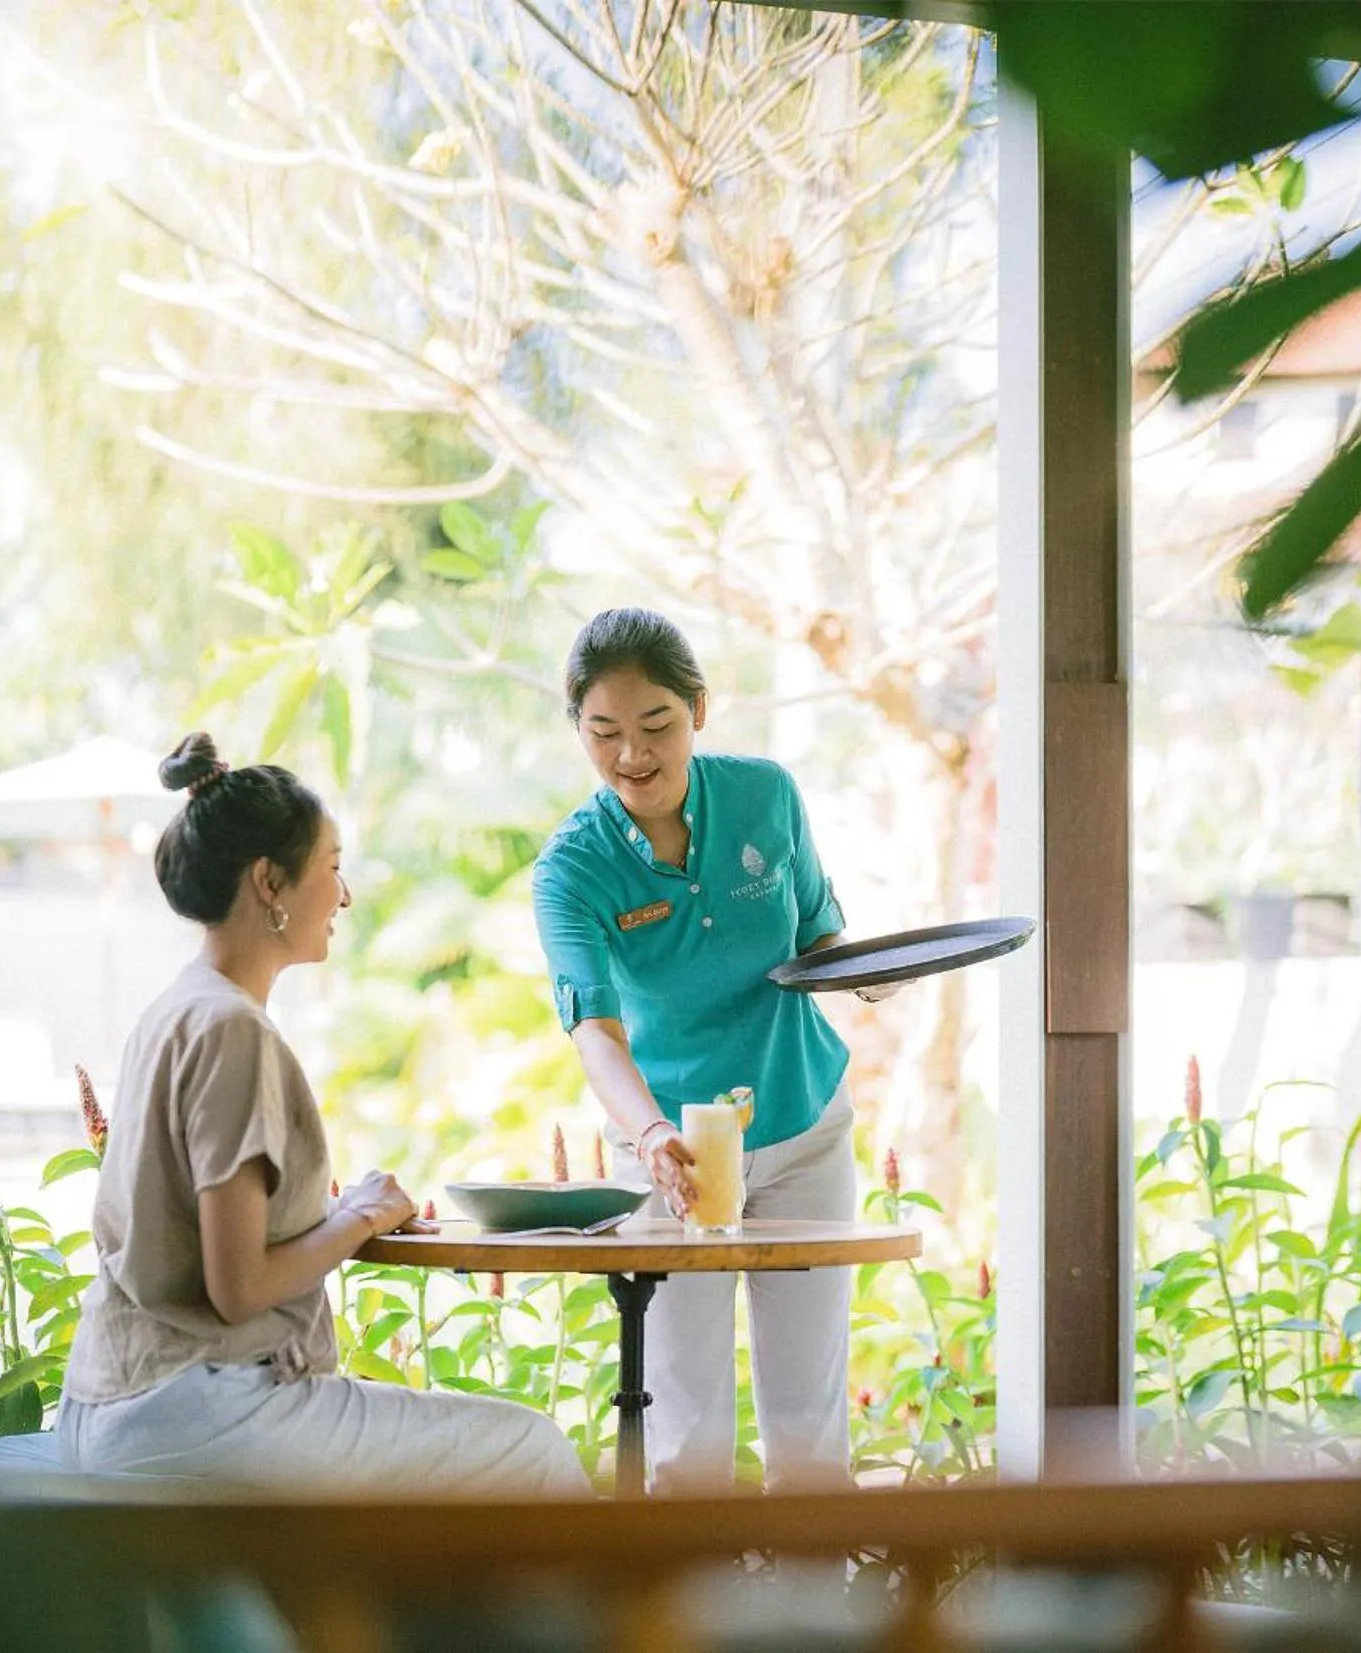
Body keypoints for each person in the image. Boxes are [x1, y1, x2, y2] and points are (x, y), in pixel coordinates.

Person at [59, 733, 586, 1498]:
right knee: (532, 1448)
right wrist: (361, 1216)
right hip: (194, 1410)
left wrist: (345, 1210)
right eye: (333, 869)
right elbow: (237, 1287)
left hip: (114, 1396)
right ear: (270, 881)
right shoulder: (231, 1029)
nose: (343, 897)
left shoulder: (179, 1007)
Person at [531, 608, 892, 1495]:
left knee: (809, 1426)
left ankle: (812, 1623)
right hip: (671, 1153)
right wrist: (651, 1137)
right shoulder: (570, 869)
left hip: (802, 1126)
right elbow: (595, 1033)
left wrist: (881, 973)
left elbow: (821, 942)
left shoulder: (766, 795)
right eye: (603, 732)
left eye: (656, 725)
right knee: (685, 1428)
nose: (632, 755)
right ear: (576, 728)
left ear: (698, 707)